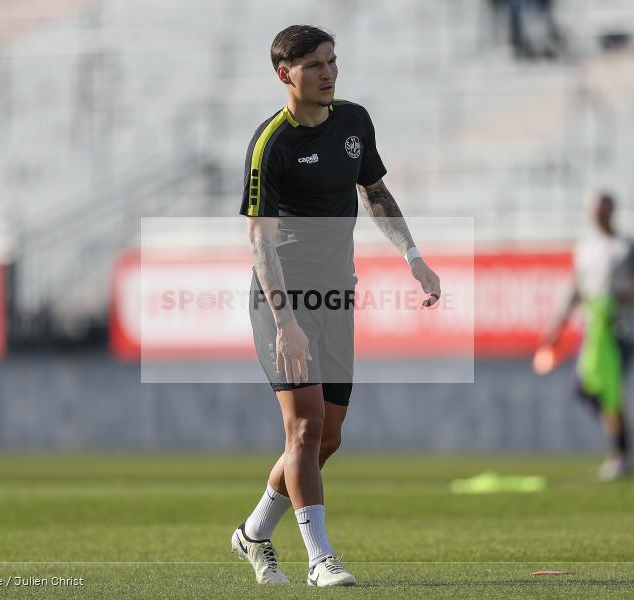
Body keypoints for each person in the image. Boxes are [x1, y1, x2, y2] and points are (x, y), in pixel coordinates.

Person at [231, 25, 441, 587]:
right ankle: (320, 558)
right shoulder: (270, 144)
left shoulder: (354, 121)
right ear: (286, 74)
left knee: (329, 435)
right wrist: (285, 323)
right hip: (285, 301)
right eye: (316, 65)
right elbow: (260, 241)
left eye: (332, 61)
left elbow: (374, 192)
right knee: (304, 427)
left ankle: (253, 533)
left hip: (335, 295)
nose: (329, 73)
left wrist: (412, 256)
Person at [539, 192, 634, 481]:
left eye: (602, 210)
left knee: (610, 388)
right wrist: (557, 327)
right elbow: (576, 289)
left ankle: (619, 455)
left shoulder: (625, 247)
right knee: (589, 387)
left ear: (612, 211)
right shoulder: (586, 248)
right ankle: (621, 452)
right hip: (593, 332)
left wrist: (620, 294)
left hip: (621, 330)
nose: (597, 215)